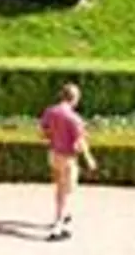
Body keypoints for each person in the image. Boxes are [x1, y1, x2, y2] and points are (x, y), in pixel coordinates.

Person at [39, 83, 97, 243]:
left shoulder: (50, 112)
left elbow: (43, 133)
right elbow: (80, 141)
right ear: (75, 99)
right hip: (67, 157)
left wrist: (54, 137)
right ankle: (58, 227)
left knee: (59, 188)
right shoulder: (74, 118)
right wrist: (89, 158)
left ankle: (62, 215)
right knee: (67, 190)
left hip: (53, 155)